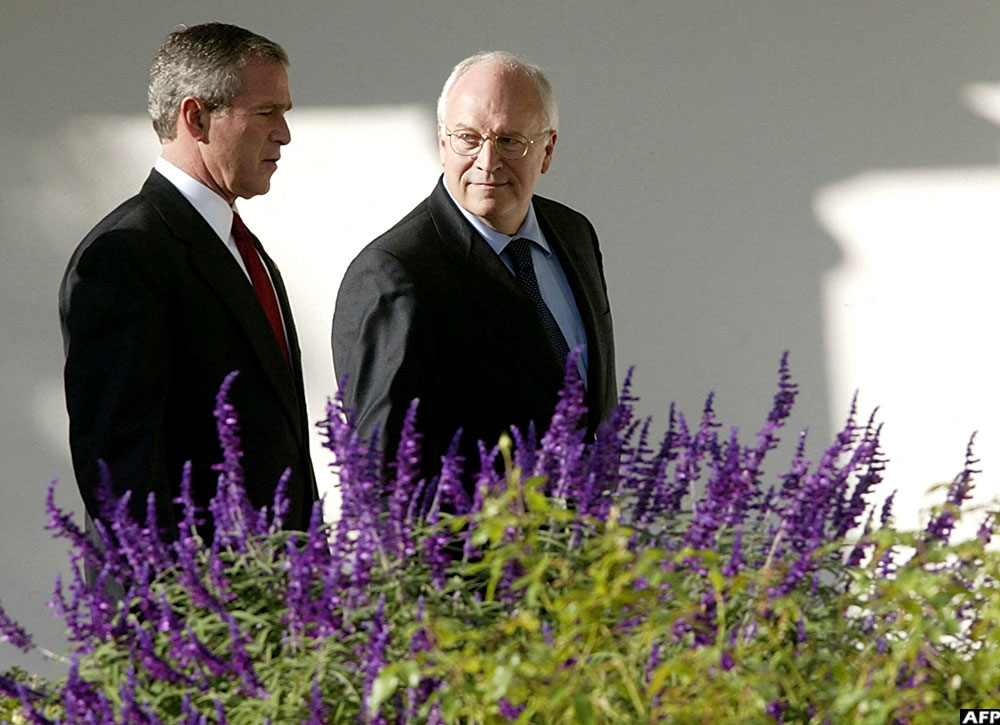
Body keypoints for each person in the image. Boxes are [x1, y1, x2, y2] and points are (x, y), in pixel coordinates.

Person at [60, 23, 317, 536]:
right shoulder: (125, 256)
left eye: (284, 114)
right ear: (196, 117)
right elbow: (122, 479)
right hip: (198, 606)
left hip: (277, 596)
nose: (284, 134)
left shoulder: (245, 250)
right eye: (266, 112)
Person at [332, 51, 616, 487]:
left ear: (547, 150)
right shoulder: (394, 275)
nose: (487, 162)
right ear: (442, 142)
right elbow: (385, 475)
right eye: (468, 137)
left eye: (509, 141)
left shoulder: (574, 234)